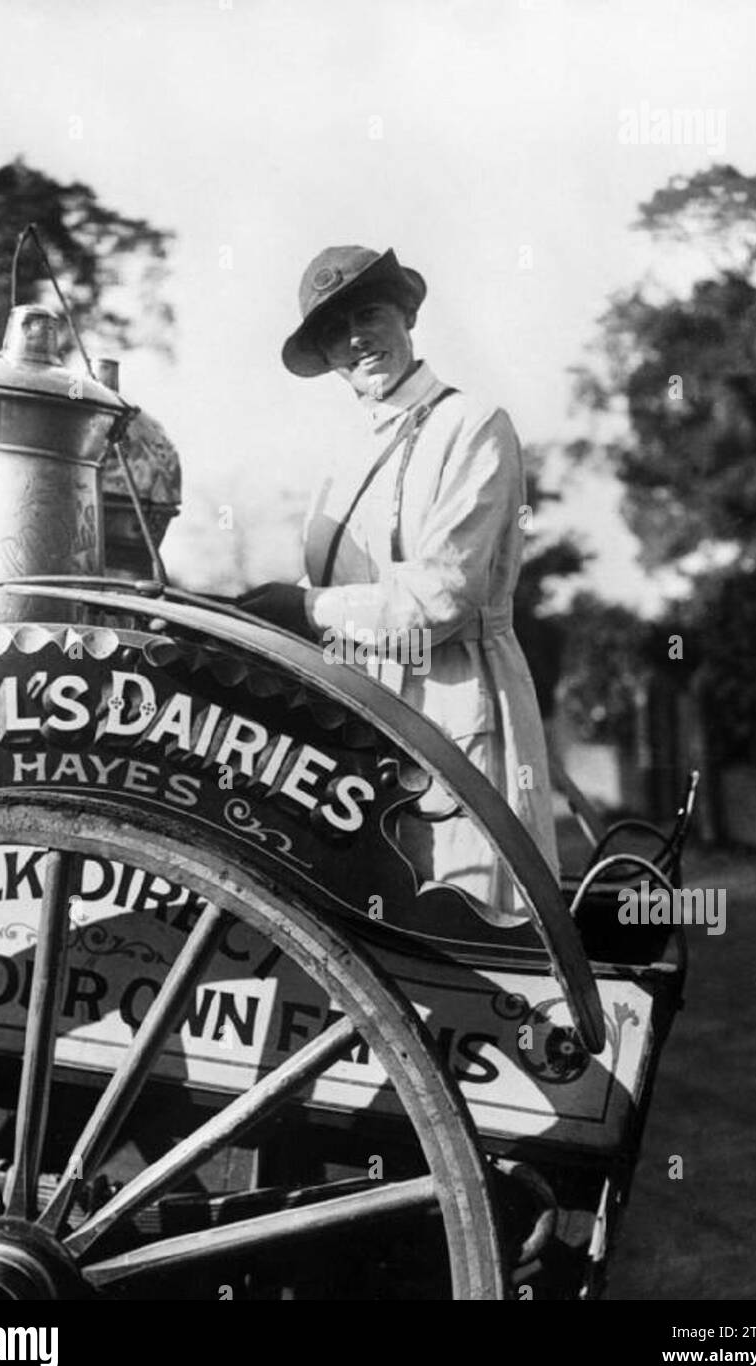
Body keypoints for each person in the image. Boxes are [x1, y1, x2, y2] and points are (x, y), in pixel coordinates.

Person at [238, 245, 558, 912]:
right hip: (361, 721)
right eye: (334, 331)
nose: (357, 339)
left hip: (457, 703)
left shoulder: (472, 426)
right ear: (326, 357)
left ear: (406, 317)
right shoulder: (342, 458)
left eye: (370, 313)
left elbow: (443, 596)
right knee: (380, 937)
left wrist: (308, 608)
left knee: (471, 921)